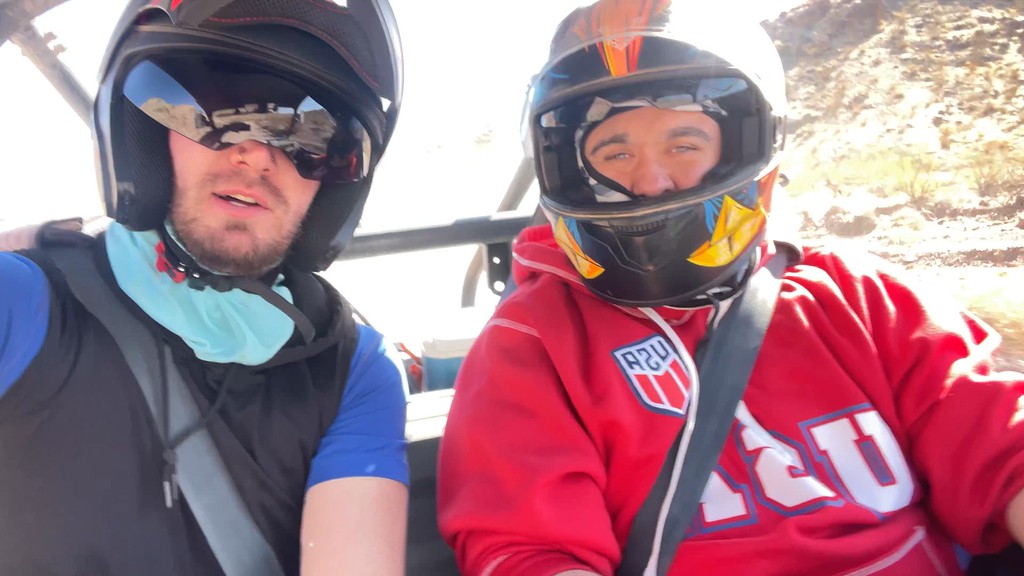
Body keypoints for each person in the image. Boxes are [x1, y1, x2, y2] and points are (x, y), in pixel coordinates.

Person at [436, 1, 1024, 574]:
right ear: (573, 171)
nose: (651, 181)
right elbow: (529, 549)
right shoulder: (537, 341)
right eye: (615, 153)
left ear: (744, 147)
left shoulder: (857, 296)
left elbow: (999, 444)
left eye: (684, 145)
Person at [0, 1, 409, 574]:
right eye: (216, 111)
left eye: (309, 133)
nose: (257, 155)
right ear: (141, 134)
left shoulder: (352, 368)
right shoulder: (25, 304)